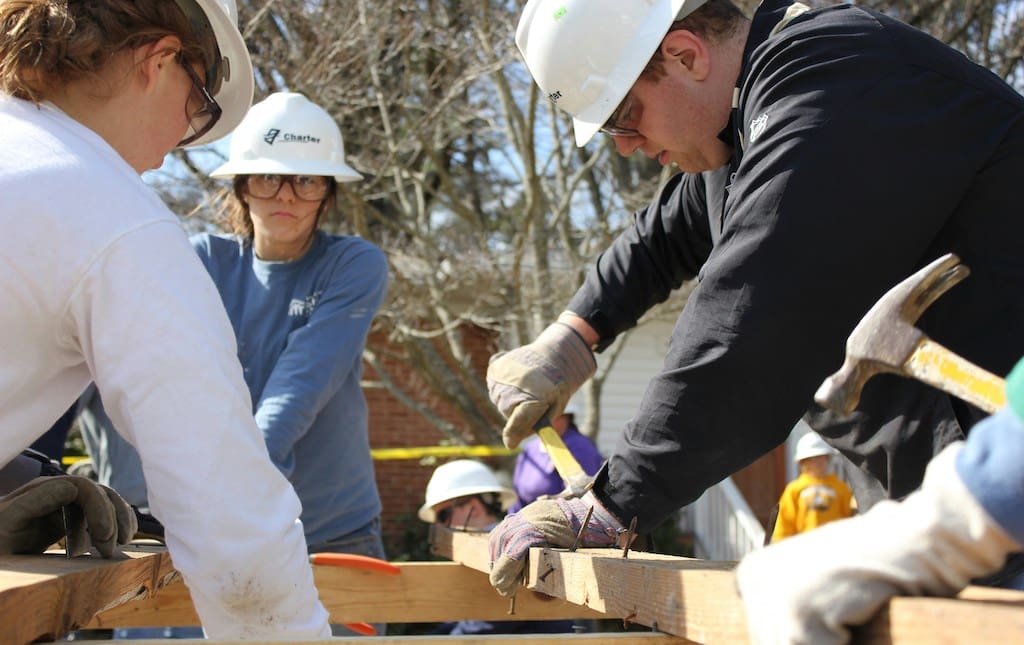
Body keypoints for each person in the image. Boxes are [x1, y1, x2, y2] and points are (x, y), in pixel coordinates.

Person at [486, 0, 1024, 598]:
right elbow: (666, 233)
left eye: (623, 116)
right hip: (948, 492)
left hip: (1005, 474)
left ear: (685, 55)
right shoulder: (746, 119)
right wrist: (571, 335)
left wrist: (614, 504)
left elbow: (751, 324)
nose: (625, 146)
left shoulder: (838, 79)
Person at [0, 0, 331, 639]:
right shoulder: (112, 214)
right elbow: (230, 518)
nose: (174, 148)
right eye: (199, 108)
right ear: (159, 61)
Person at [78, 91, 389, 636]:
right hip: (199, 534)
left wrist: (235, 499)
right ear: (241, 186)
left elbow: (301, 382)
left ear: (328, 192)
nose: (285, 195)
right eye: (267, 179)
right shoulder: (200, 261)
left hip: (328, 531)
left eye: (306, 181)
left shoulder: (352, 264)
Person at [736, 357, 1024, 644]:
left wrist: (955, 522)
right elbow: (788, 526)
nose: (817, 465)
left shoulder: (837, 486)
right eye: (811, 461)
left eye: (820, 459)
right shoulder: (796, 491)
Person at [420, 460, 575, 635]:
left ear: (474, 508)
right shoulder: (480, 549)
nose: (441, 525)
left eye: (443, 515)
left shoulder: (510, 550)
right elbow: (466, 618)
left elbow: (489, 624)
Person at [509, 402, 604, 512]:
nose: (539, 421)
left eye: (547, 416)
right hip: (528, 520)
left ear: (566, 417)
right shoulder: (530, 449)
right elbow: (517, 497)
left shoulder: (579, 447)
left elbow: (583, 497)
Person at [770, 432, 854, 543]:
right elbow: (785, 521)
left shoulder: (840, 488)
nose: (817, 462)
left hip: (834, 547)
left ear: (827, 458)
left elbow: (849, 519)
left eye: (820, 457)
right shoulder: (794, 489)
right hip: (803, 548)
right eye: (811, 458)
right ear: (803, 462)